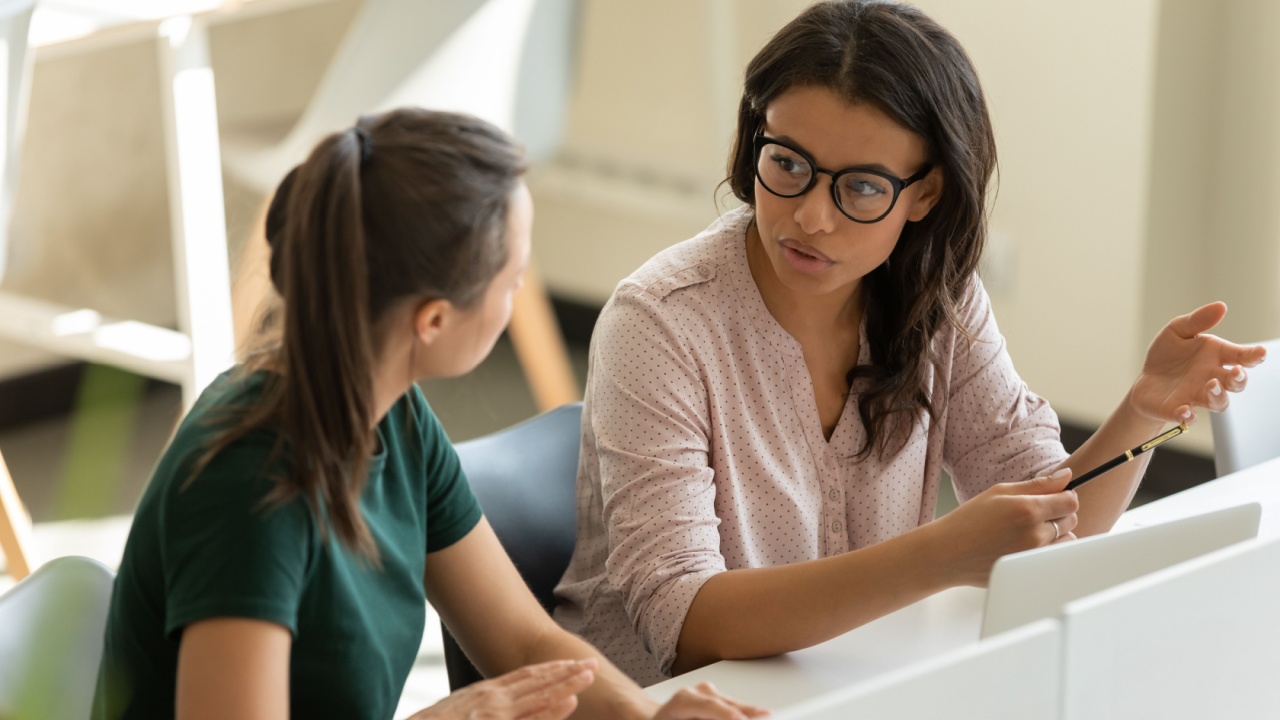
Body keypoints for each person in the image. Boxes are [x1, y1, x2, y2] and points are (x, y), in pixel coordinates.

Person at [553, 0, 1268, 687]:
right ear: (754, 139)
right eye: (788, 162)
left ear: (924, 194)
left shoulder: (940, 298)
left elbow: (1057, 531)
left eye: (861, 188)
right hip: (671, 703)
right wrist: (939, 556)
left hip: (853, 682)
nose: (810, 217)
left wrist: (1140, 416)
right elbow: (684, 623)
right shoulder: (660, 322)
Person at [92, 108, 767, 720]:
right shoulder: (248, 487)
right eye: (514, 276)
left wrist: (648, 719)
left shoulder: (394, 417)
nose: (520, 292)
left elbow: (524, 640)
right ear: (434, 320)